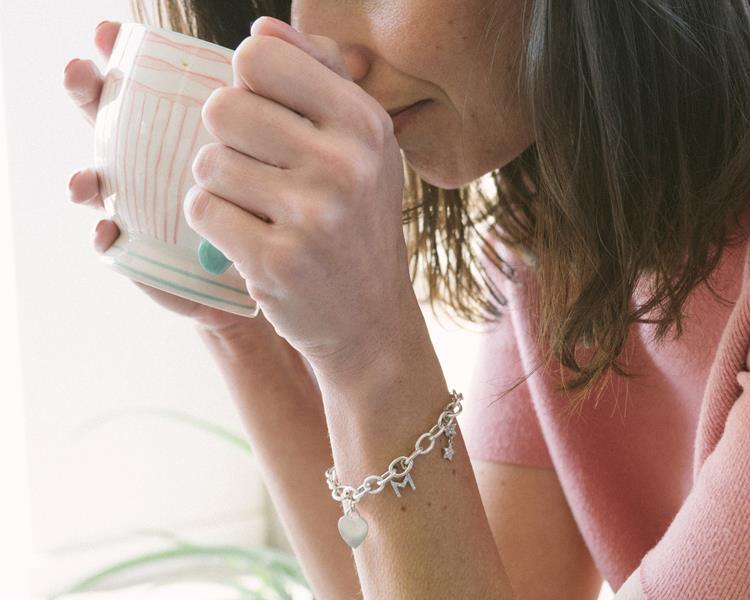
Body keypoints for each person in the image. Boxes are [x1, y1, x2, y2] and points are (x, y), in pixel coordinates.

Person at [62, 3, 750, 598]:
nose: (325, 45)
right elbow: (439, 579)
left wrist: (372, 355)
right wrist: (236, 320)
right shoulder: (557, 232)